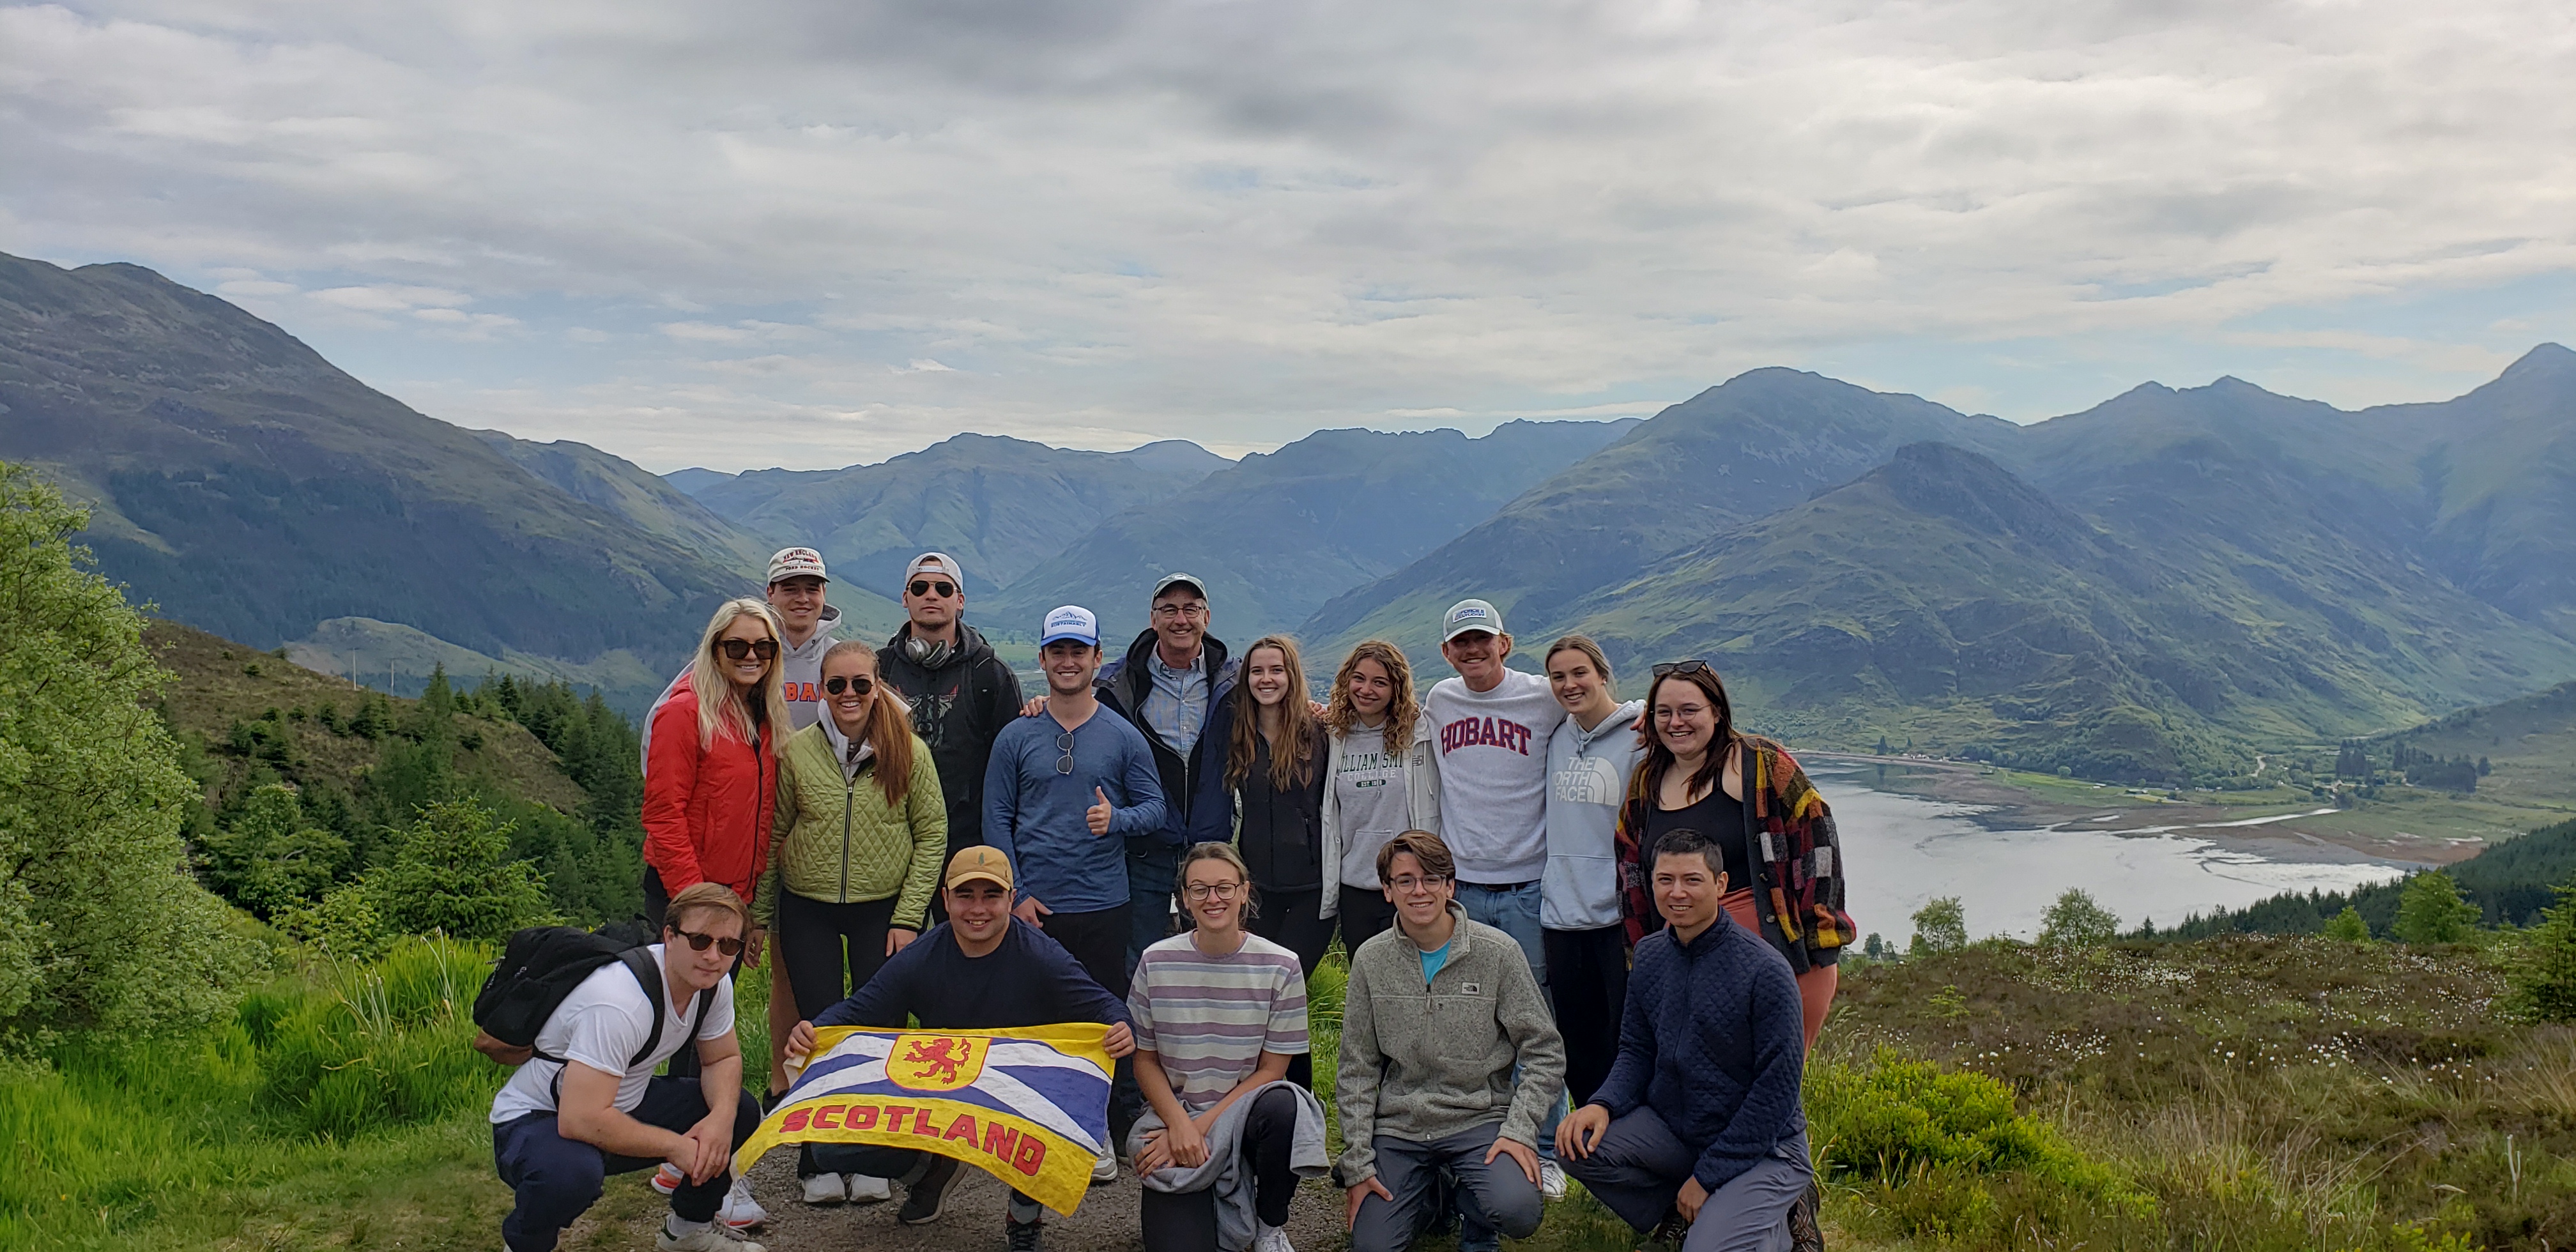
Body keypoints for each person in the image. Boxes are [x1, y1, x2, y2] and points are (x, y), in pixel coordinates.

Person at [788, 847, 1138, 1252]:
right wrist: (815, 1030)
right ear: (945, 900)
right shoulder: (921, 956)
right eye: (965, 895)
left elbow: (1102, 1004)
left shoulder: (1041, 954)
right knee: (831, 1148)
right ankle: (930, 1172)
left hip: (1019, 1092)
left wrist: (1121, 1026)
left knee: (1054, 1115)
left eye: (991, 896)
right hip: (944, 1087)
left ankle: (1024, 1217)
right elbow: (861, 1008)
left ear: (1011, 899)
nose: (978, 909)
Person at [639, 547, 845, 1112]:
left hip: (733, 893)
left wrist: (748, 906)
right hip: (690, 889)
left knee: (707, 1021)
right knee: (686, 1024)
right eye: (737, 647)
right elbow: (663, 814)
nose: (751, 656)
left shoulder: (758, 714)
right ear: (714, 650)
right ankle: (686, 1160)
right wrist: (696, 904)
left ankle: (699, 1152)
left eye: (762, 648)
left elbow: (759, 820)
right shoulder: (686, 711)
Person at [755, 641, 947, 1208]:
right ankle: (816, 1157)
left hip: (882, 910)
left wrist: (910, 917)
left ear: (877, 685)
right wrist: (760, 918)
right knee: (816, 1031)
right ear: (821, 690)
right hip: (808, 905)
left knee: (878, 1033)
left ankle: (871, 1157)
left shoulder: (909, 753)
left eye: (860, 685)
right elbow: (773, 839)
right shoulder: (798, 752)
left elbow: (932, 837)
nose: (848, 696)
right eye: (836, 685)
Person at [1558, 830, 1812, 1252]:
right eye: (1665, 880)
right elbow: (1636, 1052)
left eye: (1692, 880)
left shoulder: (1766, 972)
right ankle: (1686, 1211)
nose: (1678, 893)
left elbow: (1776, 1094)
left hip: (1766, 1148)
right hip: (1679, 1133)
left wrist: (1708, 1176)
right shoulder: (1651, 956)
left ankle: (1779, 1215)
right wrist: (1602, 1105)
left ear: (1721, 884)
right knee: (1575, 1147)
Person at [488, 882, 767, 1252]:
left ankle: (688, 1232)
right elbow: (579, 1119)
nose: (714, 956)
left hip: (619, 1104)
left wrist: (720, 1118)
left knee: (740, 1111)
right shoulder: (620, 1003)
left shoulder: (712, 986)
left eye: (728, 945)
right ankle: (525, 1246)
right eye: (700, 940)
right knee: (570, 1175)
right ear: (669, 936)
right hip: (539, 1117)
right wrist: (675, 1147)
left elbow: (722, 1058)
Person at [1336, 831, 1565, 1252]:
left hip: (1478, 1117)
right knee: (1371, 1246)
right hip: (1401, 1126)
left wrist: (1519, 1130)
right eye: (1405, 880)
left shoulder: (1498, 953)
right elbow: (1357, 1067)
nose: (1419, 890)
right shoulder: (1371, 960)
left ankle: (1474, 1211)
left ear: (1450, 886)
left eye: (1432, 878)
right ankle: (1431, 1195)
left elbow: (1544, 1051)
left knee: (1517, 1210)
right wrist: (1356, 1161)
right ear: (1387, 891)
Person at [1614, 660, 1851, 1051]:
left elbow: (1818, 843)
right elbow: (1632, 878)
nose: (1676, 722)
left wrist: (1822, 937)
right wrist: (1642, 956)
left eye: (1689, 711)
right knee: (1701, 1086)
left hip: (1781, 961)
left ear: (1717, 712)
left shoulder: (1760, 764)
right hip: (1686, 962)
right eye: (1664, 713)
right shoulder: (1646, 782)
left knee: (1769, 1089)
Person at [1423, 597, 1569, 1195]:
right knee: (1469, 1021)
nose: (1474, 651)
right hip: (1462, 890)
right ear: (1447, 652)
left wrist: (1645, 714)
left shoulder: (1542, 696)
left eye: (1484, 640)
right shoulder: (1440, 700)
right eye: (1462, 643)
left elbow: (1601, 710)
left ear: (1505, 644)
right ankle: (1476, 1137)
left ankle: (1544, 1149)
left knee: (1536, 1022)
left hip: (1528, 888)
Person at [1128, 843, 1326, 1252]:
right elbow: (1144, 1059)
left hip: (1248, 1112)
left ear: (1244, 892)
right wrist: (1179, 1124)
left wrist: (1197, 1129)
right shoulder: (1155, 961)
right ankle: (1211, 1199)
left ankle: (1271, 1223)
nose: (1212, 899)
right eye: (1199, 890)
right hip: (1175, 1115)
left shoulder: (1282, 966)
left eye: (1223, 888)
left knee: (1286, 1107)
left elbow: (1273, 1071)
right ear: (1184, 898)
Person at [1094, 574, 1240, 967]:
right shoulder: (1118, 685)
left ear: (1206, 617)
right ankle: (1137, 1028)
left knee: (1215, 953)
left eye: (1190, 609)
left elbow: (1281, 708)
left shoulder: (1233, 680)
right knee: (1140, 956)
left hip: (1212, 844)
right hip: (1146, 845)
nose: (1181, 619)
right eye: (1169, 610)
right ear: (1153, 619)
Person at [877, 552, 1025, 890]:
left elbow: (1014, 763)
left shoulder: (990, 674)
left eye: (944, 589)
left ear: (960, 601)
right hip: (893, 837)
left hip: (968, 842)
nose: (931, 595)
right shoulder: (879, 671)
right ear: (905, 598)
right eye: (920, 588)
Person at [1541, 636, 1645, 1111]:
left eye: (1579, 673)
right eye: (1558, 676)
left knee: (1625, 1037)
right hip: (1561, 916)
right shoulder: (1556, 736)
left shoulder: (1641, 738)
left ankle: (1634, 1139)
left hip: (1617, 919)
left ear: (1602, 675)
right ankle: (1595, 1149)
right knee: (1575, 1043)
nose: (1569, 684)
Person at [1223, 636, 1334, 1080]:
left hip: (1312, 890)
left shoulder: (1320, 733)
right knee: (1258, 995)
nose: (1266, 679)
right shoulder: (1237, 734)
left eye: (1276, 670)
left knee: (1286, 991)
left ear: (1292, 676)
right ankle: (1264, 1097)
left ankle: (1300, 1099)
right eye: (1257, 671)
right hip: (1258, 890)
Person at [1318, 640, 1440, 956]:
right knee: (1366, 978)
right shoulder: (1333, 735)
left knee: (1415, 977)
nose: (1366, 689)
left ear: (1396, 689)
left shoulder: (1421, 734)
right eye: (1359, 679)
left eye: (1380, 682)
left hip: (1411, 885)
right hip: (1356, 886)